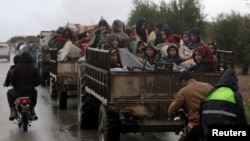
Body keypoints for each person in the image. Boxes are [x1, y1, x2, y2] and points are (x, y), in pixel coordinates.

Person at [200, 68, 248, 139]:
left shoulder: (213, 91)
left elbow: (201, 109)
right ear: (235, 82)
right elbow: (241, 116)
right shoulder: (234, 94)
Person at [168, 71, 213, 141]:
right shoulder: (208, 86)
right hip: (211, 121)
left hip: (196, 124)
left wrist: (171, 114)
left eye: (180, 83)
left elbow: (173, 108)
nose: (181, 85)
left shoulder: (184, 91)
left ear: (183, 81)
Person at [7, 52, 41, 120]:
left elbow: (12, 80)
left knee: (9, 93)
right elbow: (39, 80)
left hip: (18, 92)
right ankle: (32, 109)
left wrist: (16, 85)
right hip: (30, 92)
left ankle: (13, 111)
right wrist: (33, 85)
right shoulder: (33, 68)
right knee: (35, 92)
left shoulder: (17, 68)